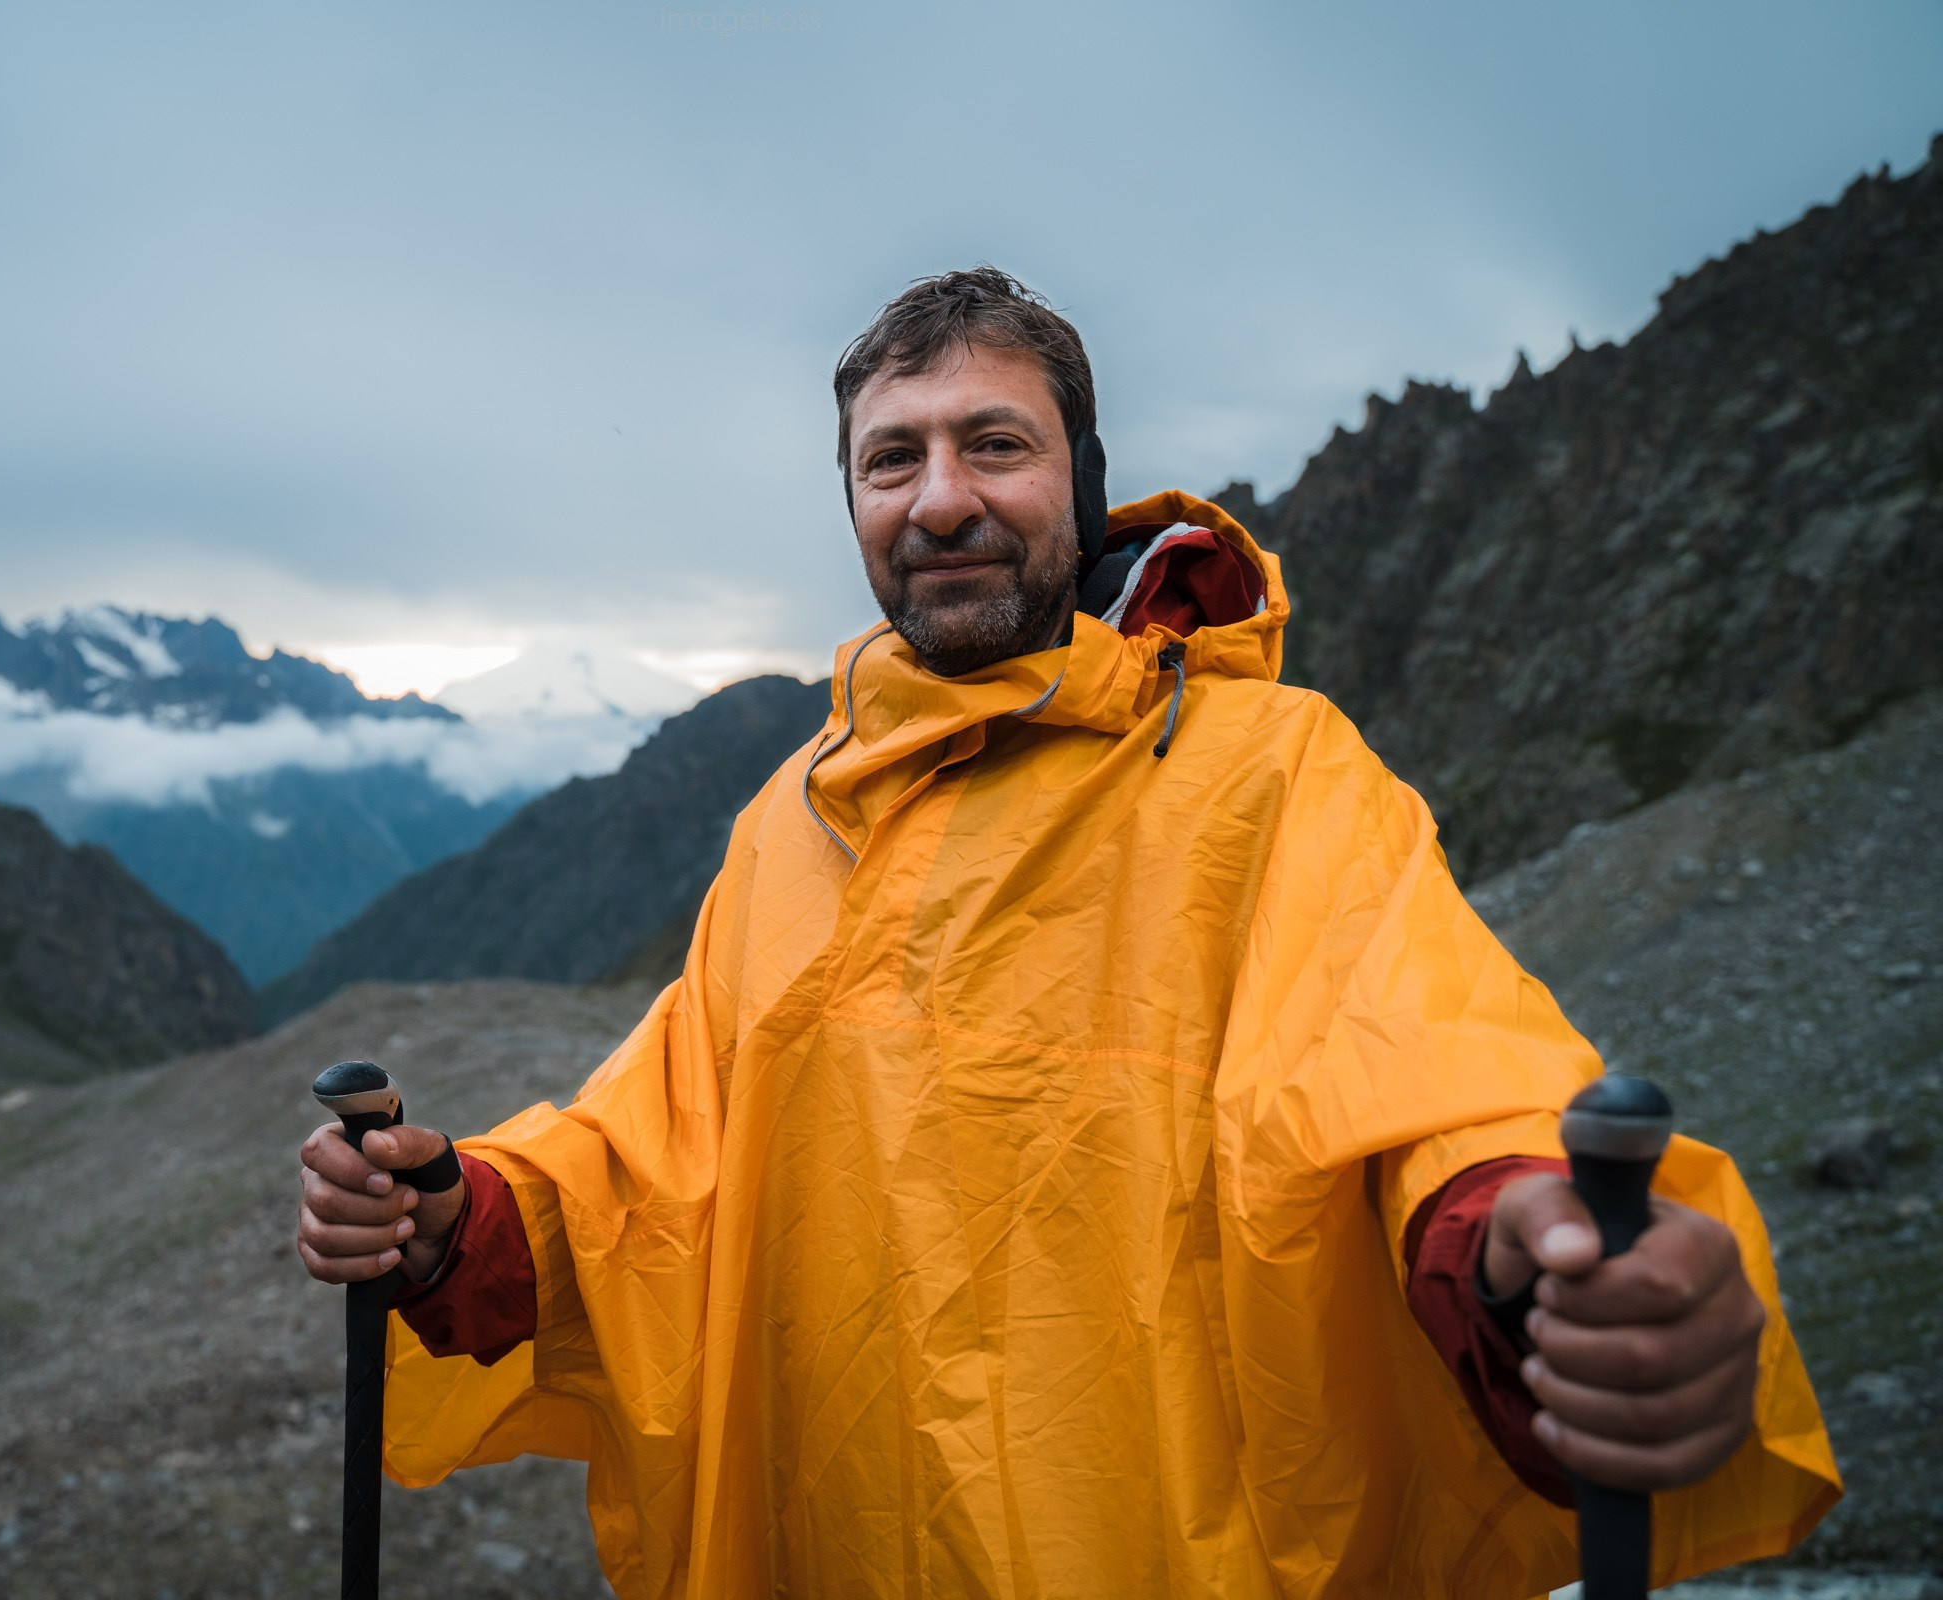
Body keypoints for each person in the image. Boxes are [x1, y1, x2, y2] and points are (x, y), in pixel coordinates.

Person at [296, 269, 1838, 1598]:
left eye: (995, 444)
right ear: (851, 506)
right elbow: (654, 1169)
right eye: (888, 460)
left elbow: (1431, 1093)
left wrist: (1537, 1262)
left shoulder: (1275, 777)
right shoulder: (793, 821)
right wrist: (449, 1220)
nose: (941, 496)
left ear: (1084, 479)